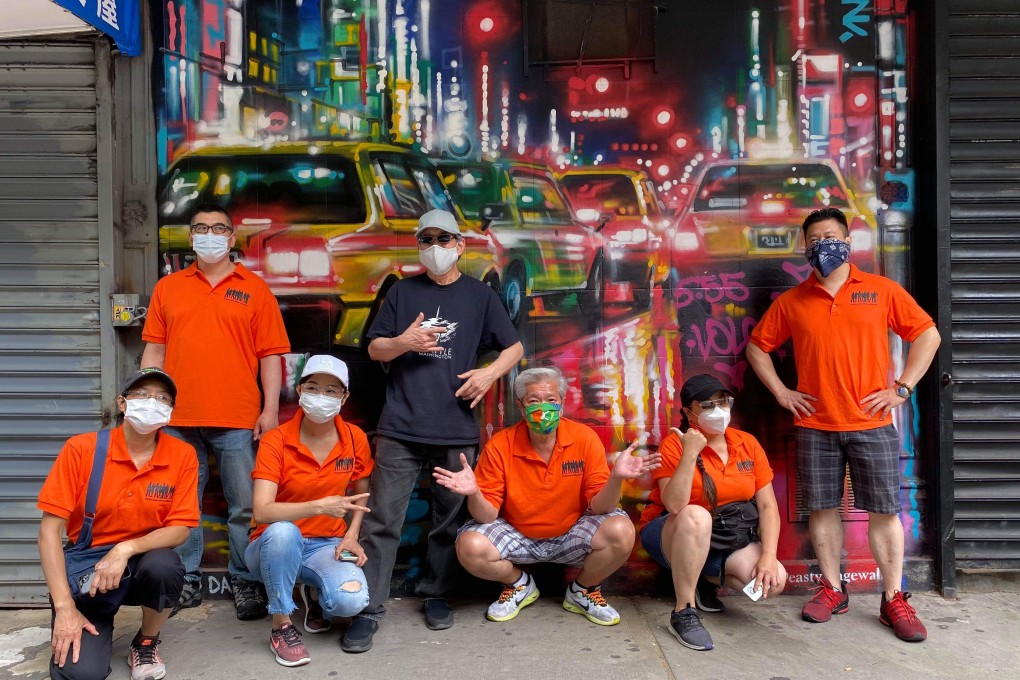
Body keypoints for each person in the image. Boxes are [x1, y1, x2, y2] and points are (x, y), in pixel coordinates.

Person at [747, 207, 941, 642]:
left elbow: (928, 334)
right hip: (816, 423)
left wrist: (903, 388)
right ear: (805, 247)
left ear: (849, 242)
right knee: (822, 510)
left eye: (831, 236)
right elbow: (758, 348)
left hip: (871, 422)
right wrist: (782, 393)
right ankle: (833, 588)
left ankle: (894, 598)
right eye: (814, 239)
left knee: (884, 512)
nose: (823, 245)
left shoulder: (880, 290)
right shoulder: (792, 301)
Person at [342, 209, 523, 653]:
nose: (435, 247)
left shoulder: (479, 296)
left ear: (460, 245)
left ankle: (438, 593)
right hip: (401, 424)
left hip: (455, 425)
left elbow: (514, 346)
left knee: (448, 519)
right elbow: (374, 346)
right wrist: (405, 341)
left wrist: (488, 374)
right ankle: (368, 607)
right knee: (383, 519)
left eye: (444, 239)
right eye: (426, 240)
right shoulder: (403, 292)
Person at [141, 203, 291, 621]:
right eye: (201, 228)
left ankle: (246, 581)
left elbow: (270, 356)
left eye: (218, 228)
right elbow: (154, 349)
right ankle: (185, 579)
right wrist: (147, 403)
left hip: (238, 416)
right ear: (191, 238)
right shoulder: (168, 288)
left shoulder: (254, 288)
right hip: (176, 418)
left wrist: (270, 410)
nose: (209, 234)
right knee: (181, 504)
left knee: (244, 505)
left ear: (231, 238)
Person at [433, 366, 658, 626]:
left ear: (562, 404)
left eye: (551, 400)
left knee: (621, 529)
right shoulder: (500, 445)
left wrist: (616, 478)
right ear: (521, 405)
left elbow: (600, 508)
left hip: (571, 533)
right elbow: (487, 516)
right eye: (534, 401)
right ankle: (519, 584)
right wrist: (474, 492)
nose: (544, 408)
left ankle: (582, 591)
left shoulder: (584, 438)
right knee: (470, 546)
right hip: (517, 536)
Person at [38, 368, 199, 680]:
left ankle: (146, 641)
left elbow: (180, 529)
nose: (153, 402)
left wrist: (126, 548)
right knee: (79, 675)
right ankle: (85, 617)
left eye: (163, 398)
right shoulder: (81, 449)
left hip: (143, 562)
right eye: (143, 394)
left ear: (169, 412)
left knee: (165, 566)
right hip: (89, 567)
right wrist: (65, 607)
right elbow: (48, 533)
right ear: (122, 403)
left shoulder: (182, 455)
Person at [639, 373, 786, 651]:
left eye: (723, 402)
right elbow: (674, 505)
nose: (718, 410)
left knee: (774, 581)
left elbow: (767, 506)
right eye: (707, 405)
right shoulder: (675, 444)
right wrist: (689, 454)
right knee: (696, 515)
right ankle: (684, 611)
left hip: (726, 537)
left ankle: (704, 582)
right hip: (672, 532)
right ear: (688, 411)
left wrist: (768, 557)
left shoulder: (747, 443)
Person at [245, 355, 373, 667]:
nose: (321, 396)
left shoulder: (355, 439)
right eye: (313, 387)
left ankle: (315, 595)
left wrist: (353, 535)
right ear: (300, 390)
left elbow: (362, 496)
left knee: (350, 601)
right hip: (270, 545)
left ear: (344, 398)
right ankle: (281, 625)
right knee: (283, 530)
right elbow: (262, 512)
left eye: (332, 391)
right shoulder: (276, 440)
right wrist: (318, 506)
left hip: (326, 545)